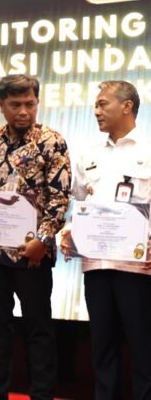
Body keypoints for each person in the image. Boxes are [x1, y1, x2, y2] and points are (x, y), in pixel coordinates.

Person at [0, 75, 71, 400]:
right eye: (15, 104)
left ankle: (42, 394)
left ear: (37, 102)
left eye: (30, 103)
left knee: (37, 327)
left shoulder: (52, 141)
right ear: (1, 105)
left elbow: (59, 197)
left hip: (32, 252)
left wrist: (43, 239)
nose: (24, 111)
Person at [61, 80, 151, 400]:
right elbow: (80, 202)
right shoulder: (89, 153)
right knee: (102, 345)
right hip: (96, 264)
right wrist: (69, 231)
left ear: (127, 106)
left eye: (102, 104)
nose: (96, 111)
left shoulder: (148, 150)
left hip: (137, 267)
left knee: (143, 347)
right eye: (95, 105)